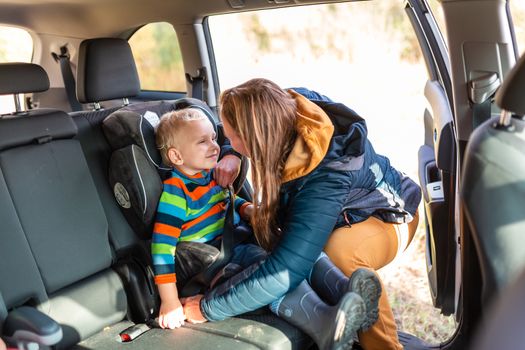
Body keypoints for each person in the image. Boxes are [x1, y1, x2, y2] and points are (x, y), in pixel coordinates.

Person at [182, 78, 421, 350]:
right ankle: (340, 308)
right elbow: (227, 128)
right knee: (299, 246)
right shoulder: (285, 107)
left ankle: (383, 346)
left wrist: (207, 308)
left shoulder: (327, 177)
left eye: (232, 137)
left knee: (339, 253)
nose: (226, 138)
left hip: (390, 213)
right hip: (343, 212)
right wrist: (230, 153)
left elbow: (284, 271)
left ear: (255, 138)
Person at [152, 108, 266, 330]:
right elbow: (162, 249)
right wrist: (170, 301)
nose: (215, 146)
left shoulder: (210, 176)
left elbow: (226, 204)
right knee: (272, 267)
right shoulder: (176, 193)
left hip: (238, 242)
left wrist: (248, 209)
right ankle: (324, 319)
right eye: (203, 141)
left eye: (213, 138)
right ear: (177, 156)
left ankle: (343, 291)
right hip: (215, 262)